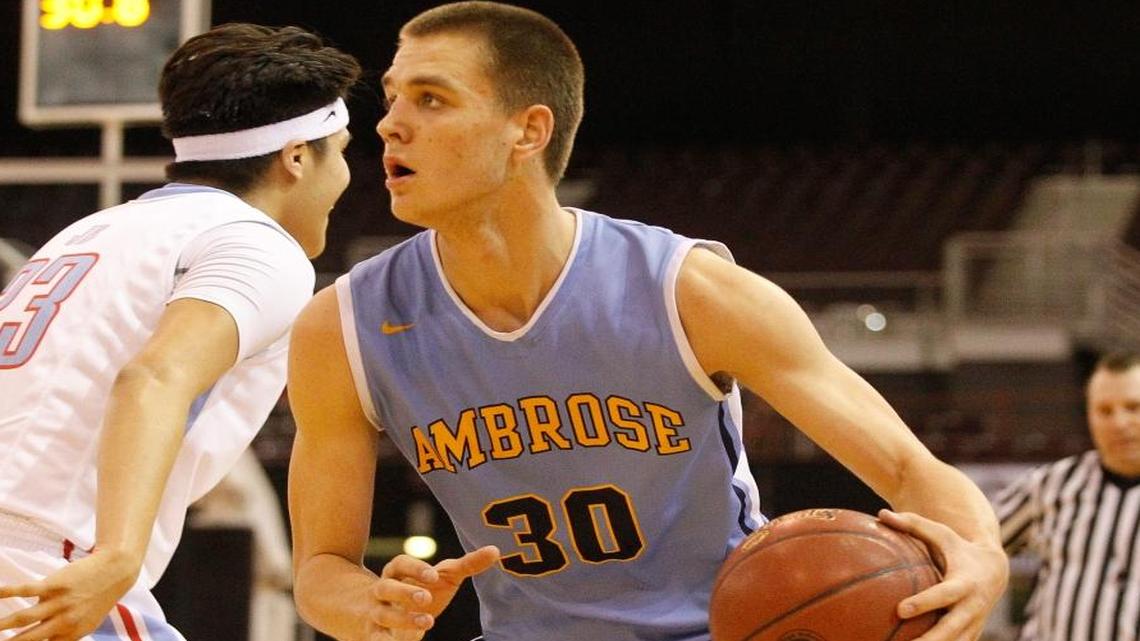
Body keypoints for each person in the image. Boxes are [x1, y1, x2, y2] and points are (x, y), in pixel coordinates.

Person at [286, 3, 1009, 641]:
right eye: (389, 99)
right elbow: (320, 567)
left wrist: (981, 553)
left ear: (528, 130)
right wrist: (371, 605)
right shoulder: (343, 326)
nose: (388, 123)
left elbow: (910, 469)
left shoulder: (691, 293)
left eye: (431, 99)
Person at [0, 23, 360, 641]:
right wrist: (115, 556)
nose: (348, 175)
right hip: (43, 563)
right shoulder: (254, 244)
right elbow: (155, 375)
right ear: (297, 157)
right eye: (344, 149)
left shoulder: (93, 232)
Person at [993, 351, 1140, 641]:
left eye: (1133, 407)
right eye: (1105, 410)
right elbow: (976, 543)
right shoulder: (1051, 485)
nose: (1119, 422)